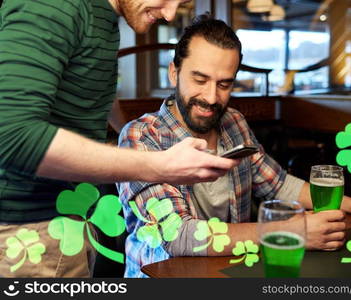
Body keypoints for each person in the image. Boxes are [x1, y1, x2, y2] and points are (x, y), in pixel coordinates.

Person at [117, 14, 351, 278]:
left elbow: (278, 185)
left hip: (229, 271)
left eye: (225, 84)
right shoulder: (140, 137)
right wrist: (292, 232)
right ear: (174, 73)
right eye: (200, 79)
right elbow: (177, 235)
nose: (212, 97)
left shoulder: (234, 122)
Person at [0, 0, 239, 278]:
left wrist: (130, 130)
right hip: (28, 230)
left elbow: (87, 86)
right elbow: (13, 136)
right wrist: (160, 164)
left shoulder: (100, 15)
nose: (170, 13)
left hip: (70, 216)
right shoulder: (57, 6)